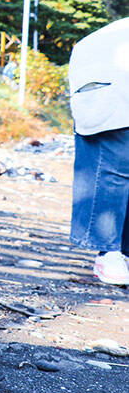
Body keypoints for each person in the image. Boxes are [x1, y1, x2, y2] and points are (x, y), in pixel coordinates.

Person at [68, 18, 129, 285]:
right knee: (111, 168)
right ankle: (109, 253)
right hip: (105, 88)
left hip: (105, 77)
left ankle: (120, 252)